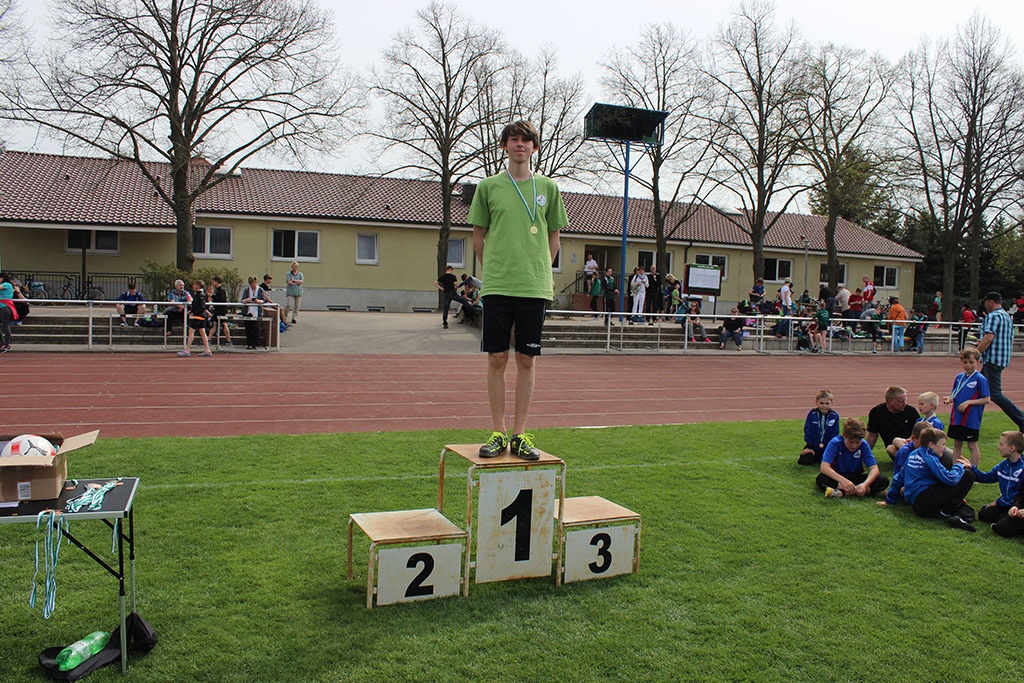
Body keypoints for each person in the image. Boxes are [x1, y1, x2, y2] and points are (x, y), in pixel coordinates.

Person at [469, 120, 568, 461]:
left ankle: (520, 434)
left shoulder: (548, 188)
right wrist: (495, 269)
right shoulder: (488, 187)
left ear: (534, 147)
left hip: (533, 287)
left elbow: (554, 238)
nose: (519, 145)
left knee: (526, 359)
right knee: (497, 357)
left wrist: (539, 268)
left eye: (526, 140)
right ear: (504, 146)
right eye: (513, 140)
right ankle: (498, 432)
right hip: (498, 285)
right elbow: (478, 238)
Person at [901, 427, 976, 532]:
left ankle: (960, 518)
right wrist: (959, 466)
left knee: (967, 510)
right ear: (931, 445)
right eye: (943, 444)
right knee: (968, 475)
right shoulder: (930, 458)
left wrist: (890, 498)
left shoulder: (913, 454)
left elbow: (899, 476)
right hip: (926, 501)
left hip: (917, 504)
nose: (945, 448)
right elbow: (950, 479)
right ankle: (946, 512)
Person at [976, 291, 1024, 432]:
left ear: (990, 301)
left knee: (995, 394)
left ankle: (1021, 420)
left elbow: (989, 338)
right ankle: (972, 423)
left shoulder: (993, 316)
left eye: (986, 302)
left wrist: (976, 352)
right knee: (980, 391)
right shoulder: (1006, 316)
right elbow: (1007, 338)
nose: (985, 306)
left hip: (991, 359)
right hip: (1000, 358)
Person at [819, 418, 889, 498]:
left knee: (883, 480)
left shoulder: (864, 445)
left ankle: (844, 492)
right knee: (821, 478)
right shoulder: (835, 443)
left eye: (857, 442)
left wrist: (864, 484)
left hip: (856, 476)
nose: (854, 446)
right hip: (838, 476)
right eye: (851, 442)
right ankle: (865, 491)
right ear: (844, 436)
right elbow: (824, 467)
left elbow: (874, 469)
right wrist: (843, 481)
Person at [943, 347, 991, 467]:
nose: (968, 365)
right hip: (957, 417)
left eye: (971, 362)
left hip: (971, 418)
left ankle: (974, 471)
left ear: (978, 362)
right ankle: (956, 469)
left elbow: (987, 399)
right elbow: (955, 394)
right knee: (957, 444)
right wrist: (950, 398)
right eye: (965, 362)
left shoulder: (980, 379)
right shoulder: (959, 377)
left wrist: (969, 402)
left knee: (971, 445)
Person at [972, 431, 1024, 536]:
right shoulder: (1002, 465)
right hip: (1006, 505)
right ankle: (1005, 517)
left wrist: (1015, 506)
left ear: (1012, 448)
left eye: (1001, 444)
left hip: (1019, 505)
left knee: (1002, 527)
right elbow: (986, 477)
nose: (998, 447)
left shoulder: (1022, 468)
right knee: (984, 514)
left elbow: (1021, 495)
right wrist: (971, 468)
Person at [880, 421, 932, 507]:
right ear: (913, 438)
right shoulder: (905, 451)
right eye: (922, 442)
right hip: (905, 484)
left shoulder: (928, 450)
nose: (926, 445)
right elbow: (902, 476)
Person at [866, 385, 920, 460]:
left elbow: (919, 431)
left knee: (897, 441)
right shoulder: (877, 413)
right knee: (890, 448)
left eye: (905, 400)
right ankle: (911, 460)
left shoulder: (911, 411)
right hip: (894, 448)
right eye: (901, 401)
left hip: (911, 443)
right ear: (890, 401)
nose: (905, 403)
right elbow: (872, 435)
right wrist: (865, 454)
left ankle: (913, 458)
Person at [799, 389, 840, 466]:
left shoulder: (834, 415)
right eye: (821, 403)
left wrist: (831, 448)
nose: (824, 406)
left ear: (832, 403)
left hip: (828, 446)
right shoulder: (812, 413)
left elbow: (835, 433)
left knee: (836, 462)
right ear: (816, 402)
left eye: (827, 403)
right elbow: (808, 430)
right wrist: (809, 446)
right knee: (804, 460)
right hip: (813, 445)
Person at [177, 279, 213, 357]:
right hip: (199, 315)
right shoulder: (198, 295)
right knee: (202, 332)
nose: (193, 286)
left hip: (199, 316)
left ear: (198, 286)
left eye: (194, 284)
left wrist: (194, 312)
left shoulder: (201, 295)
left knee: (191, 331)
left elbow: (201, 307)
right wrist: (191, 311)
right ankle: (207, 350)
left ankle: (187, 350)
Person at [434, 265, 471, 329]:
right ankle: (473, 311)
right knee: (463, 301)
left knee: (446, 309)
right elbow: (455, 285)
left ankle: (445, 323)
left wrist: (441, 288)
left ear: (446, 270)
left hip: (447, 294)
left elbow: (435, 283)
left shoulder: (442, 277)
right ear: (450, 269)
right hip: (453, 293)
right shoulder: (453, 276)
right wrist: (456, 287)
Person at [240, 275, 267, 350]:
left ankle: (255, 344)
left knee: (256, 329)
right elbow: (242, 300)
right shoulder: (246, 290)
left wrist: (257, 301)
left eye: (254, 284)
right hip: (248, 312)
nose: (253, 286)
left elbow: (264, 300)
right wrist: (248, 300)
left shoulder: (260, 290)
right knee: (248, 329)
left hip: (257, 312)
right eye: (251, 284)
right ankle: (249, 344)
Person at [210, 275, 232, 346]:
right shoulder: (217, 290)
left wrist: (212, 296)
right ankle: (208, 339)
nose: (212, 283)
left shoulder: (221, 290)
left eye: (213, 282)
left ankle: (228, 340)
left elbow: (221, 300)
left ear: (216, 282)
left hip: (221, 310)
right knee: (214, 324)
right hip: (217, 310)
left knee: (223, 324)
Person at [0, 272, 19, 353]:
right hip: (2, 308)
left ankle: (7, 345)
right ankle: (2, 343)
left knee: (5, 326)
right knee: (4, 326)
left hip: (5, 308)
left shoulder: (7, 284)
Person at [284, 261, 304, 325]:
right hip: (290, 292)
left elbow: (301, 282)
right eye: (293, 267)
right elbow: (288, 282)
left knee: (297, 306)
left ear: (297, 267)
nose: (294, 268)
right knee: (289, 305)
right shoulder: (288, 274)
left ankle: (294, 318)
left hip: (298, 292)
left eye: (295, 267)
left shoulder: (300, 274)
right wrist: (297, 283)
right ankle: (285, 316)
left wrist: (294, 281)